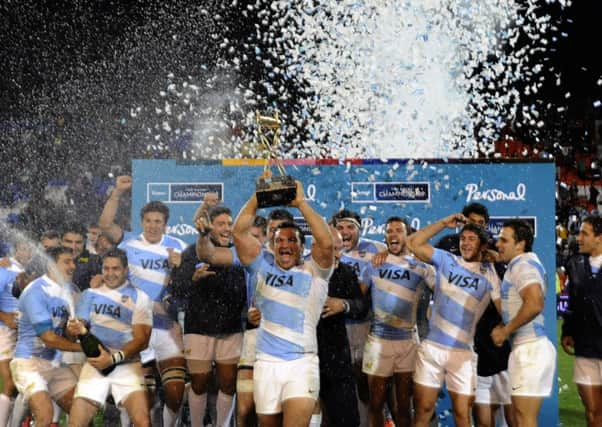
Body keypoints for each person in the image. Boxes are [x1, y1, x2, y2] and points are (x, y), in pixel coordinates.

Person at [232, 178, 334, 427]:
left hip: (302, 363)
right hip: (265, 364)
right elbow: (238, 232)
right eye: (279, 241)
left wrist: (301, 204)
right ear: (272, 245)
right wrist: (259, 197)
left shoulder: (314, 271)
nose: (285, 245)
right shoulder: (261, 267)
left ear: (302, 247)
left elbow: (327, 242)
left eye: (292, 241)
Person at [99, 175, 188, 427]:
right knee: (140, 396)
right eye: (148, 221)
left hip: (167, 328)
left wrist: (179, 268)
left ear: (165, 224)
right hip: (136, 330)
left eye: (158, 221)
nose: (152, 226)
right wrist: (116, 193)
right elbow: (105, 224)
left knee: (175, 393)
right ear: (142, 222)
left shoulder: (178, 246)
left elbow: (191, 283)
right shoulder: (129, 244)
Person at [196, 210, 294, 427]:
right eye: (273, 230)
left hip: (291, 339)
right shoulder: (253, 256)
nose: (277, 234)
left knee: (285, 407)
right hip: (254, 335)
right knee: (245, 408)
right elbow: (209, 255)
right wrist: (204, 236)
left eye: (282, 230)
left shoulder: (303, 261)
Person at [407, 214, 501, 427]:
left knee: (462, 416)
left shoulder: (490, 274)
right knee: (422, 411)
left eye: (472, 239)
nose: (465, 243)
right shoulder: (446, 259)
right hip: (432, 349)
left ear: (482, 245)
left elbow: (505, 310)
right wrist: (442, 223)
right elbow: (413, 243)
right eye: (463, 238)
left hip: (463, 353)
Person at [434, 204, 514, 427]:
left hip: (498, 343)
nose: (474, 229)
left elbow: (510, 300)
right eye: (471, 223)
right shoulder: (448, 249)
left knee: (512, 413)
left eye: (480, 224)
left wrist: (498, 259)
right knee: (479, 413)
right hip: (469, 343)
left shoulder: (496, 257)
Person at [170, 206, 246, 427]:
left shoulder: (239, 253)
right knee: (199, 382)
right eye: (221, 223)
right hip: (198, 327)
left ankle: (222, 425)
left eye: (229, 223)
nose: (227, 228)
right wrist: (193, 278)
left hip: (231, 329)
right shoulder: (192, 252)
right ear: (210, 226)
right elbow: (177, 290)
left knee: (228, 383)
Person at [361, 217, 435, 427]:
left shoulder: (422, 267)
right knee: (375, 404)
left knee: (403, 406)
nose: (393, 234)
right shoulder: (374, 263)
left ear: (408, 236)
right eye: (389, 231)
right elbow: (357, 297)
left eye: (398, 230)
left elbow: (444, 293)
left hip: (408, 342)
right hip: (378, 341)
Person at [67, 248, 153, 427]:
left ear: (126, 270)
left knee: (143, 422)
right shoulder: (89, 294)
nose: (110, 273)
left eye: (116, 269)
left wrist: (113, 358)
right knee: (75, 424)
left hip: (127, 366)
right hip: (95, 365)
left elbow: (142, 340)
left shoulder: (140, 297)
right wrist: (74, 328)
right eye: (106, 268)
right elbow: (77, 330)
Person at [491, 219, 555, 427]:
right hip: (526, 349)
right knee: (519, 418)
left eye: (504, 240)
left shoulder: (523, 265)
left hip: (531, 350)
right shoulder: (519, 264)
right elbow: (513, 306)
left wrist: (505, 330)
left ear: (520, 244)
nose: (498, 244)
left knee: (524, 419)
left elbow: (535, 303)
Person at [10, 247, 82, 427]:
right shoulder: (36, 292)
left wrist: (71, 333)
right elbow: (48, 338)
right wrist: (83, 348)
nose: (73, 266)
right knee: (45, 415)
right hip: (28, 363)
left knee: (81, 414)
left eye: (73, 261)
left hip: (54, 364)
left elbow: (64, 337)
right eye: (67, 262)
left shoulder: (68, 290)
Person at [330, 209, 386, 426]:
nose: (345, 232)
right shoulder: (325, 250)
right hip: (335, 328)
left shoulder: (377, 249)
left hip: (365, 327)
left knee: (365, 385)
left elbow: (404, 252)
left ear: (360, 230)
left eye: (350, 227)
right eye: (340, 227)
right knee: (337, 386)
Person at [317, 227, 368, 427]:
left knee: (347, 418)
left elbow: (361, 306)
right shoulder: (301, 271)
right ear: (317, 247)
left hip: (337, 356)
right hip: (304, 356)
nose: (338, 255)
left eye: (340, 249)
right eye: (333, 249)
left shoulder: (345, 272)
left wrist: (343, 305)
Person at [562, 215, 602, 426]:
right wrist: (567, 330)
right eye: (579, 233)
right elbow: (572, 302)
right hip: (585, 347)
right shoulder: (575, 263)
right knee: (592, 411)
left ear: (599, 238)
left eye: (585, 233)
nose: (579, 238)